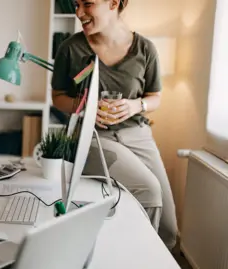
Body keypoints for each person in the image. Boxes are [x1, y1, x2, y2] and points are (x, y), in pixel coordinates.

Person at [51, 0, 178, 250]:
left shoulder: (145, 49)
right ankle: (141, 259)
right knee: (150, 191)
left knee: (169, 226)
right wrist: (87, 106)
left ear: (114, 3)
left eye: (87, 4)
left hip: (138, 134)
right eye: (76, 4)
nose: (78, 13)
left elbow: (155, 97)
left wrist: (135, 106)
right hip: (94, 137)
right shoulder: (70, 48)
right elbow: (58, 98)